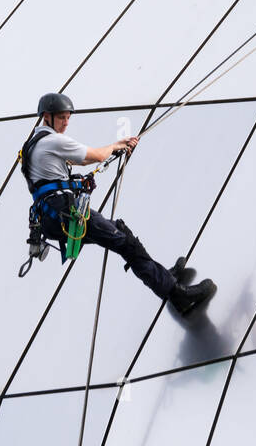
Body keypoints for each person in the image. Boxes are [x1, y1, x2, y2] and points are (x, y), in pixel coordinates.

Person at [20, 92, 216, 316]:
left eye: (67, 118)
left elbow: (75, 163)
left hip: (54, 218)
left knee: (122, 234)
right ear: (47, 116)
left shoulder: (33, 144)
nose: (65, 123)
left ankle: (164, 278)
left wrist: (110, 151)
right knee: (125, 242)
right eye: (62, 118)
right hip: (65, 215)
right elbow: (93, 156)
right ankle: (177, 295)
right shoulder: (53, 140)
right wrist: (115, 146)